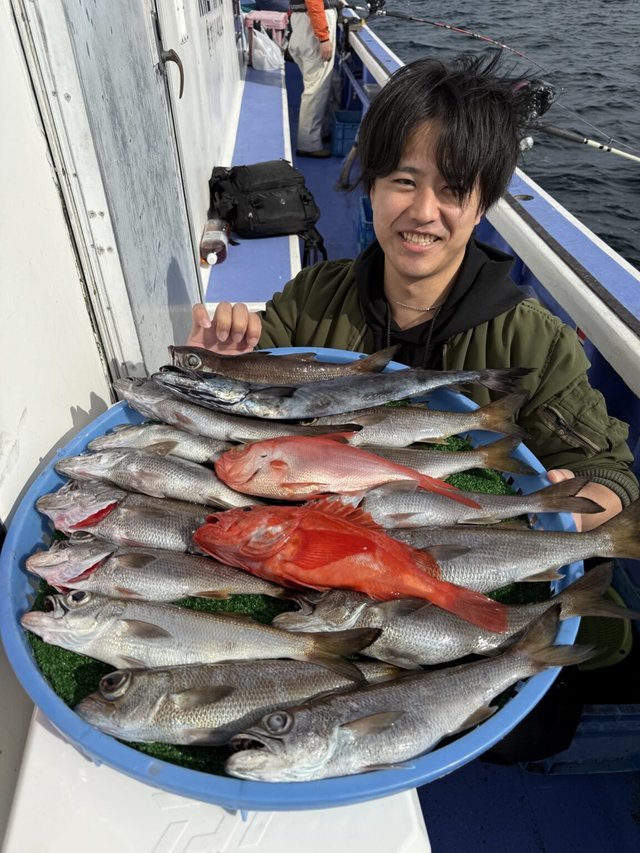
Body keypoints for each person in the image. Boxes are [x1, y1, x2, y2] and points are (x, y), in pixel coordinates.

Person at [186, 52, 639, 532]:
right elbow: (248, 417)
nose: (424, 211)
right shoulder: (312, 299)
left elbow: (609, 474)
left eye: (453, 190)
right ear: (372, 188)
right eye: (404, 181)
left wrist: (575, 510)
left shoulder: (532, 341)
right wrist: (216, 373)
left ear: (482, 205)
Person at [288, 0, 341, 157]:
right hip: (312, 33)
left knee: (318, 86)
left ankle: (320, 132)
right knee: (316, 89)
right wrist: (324, 38)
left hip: (301, 27)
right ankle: (308, 144)